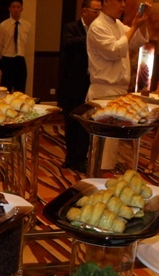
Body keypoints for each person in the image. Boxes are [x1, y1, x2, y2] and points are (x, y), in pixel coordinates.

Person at [86, 0, 149, 173]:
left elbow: (136, 41)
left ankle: (105, 174)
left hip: (118, 91)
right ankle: (97, 176)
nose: (123, 5)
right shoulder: (98, 26)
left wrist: (141, 23)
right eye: (119, 1)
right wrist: (134, 26)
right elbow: (114, 51)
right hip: (103, 90)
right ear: (106, 2)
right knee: (102, 145)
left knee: (112, 146)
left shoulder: (118, 24)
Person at [58, 0, 102, 173]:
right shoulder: (71, 27)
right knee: (70, 124)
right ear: (84, 11)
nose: (98, 15)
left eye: (100, 11)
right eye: (95, 11)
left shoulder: (101, 30)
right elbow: (68, 44)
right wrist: (92, 38)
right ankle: (70, 158)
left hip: (90, 85)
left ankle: (80, 159)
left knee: (85, 124)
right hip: (71, 85)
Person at [0, 0, 31, 93]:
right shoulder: (3, 26)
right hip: (7, 61)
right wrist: (5, 57)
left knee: (20, 91)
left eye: (18, 7)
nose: (16, 9)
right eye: (13, 7)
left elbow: (26, 43)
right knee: (6, 90)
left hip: (20, 60)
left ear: (21, 9)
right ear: (9, 9)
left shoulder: (27, 25)